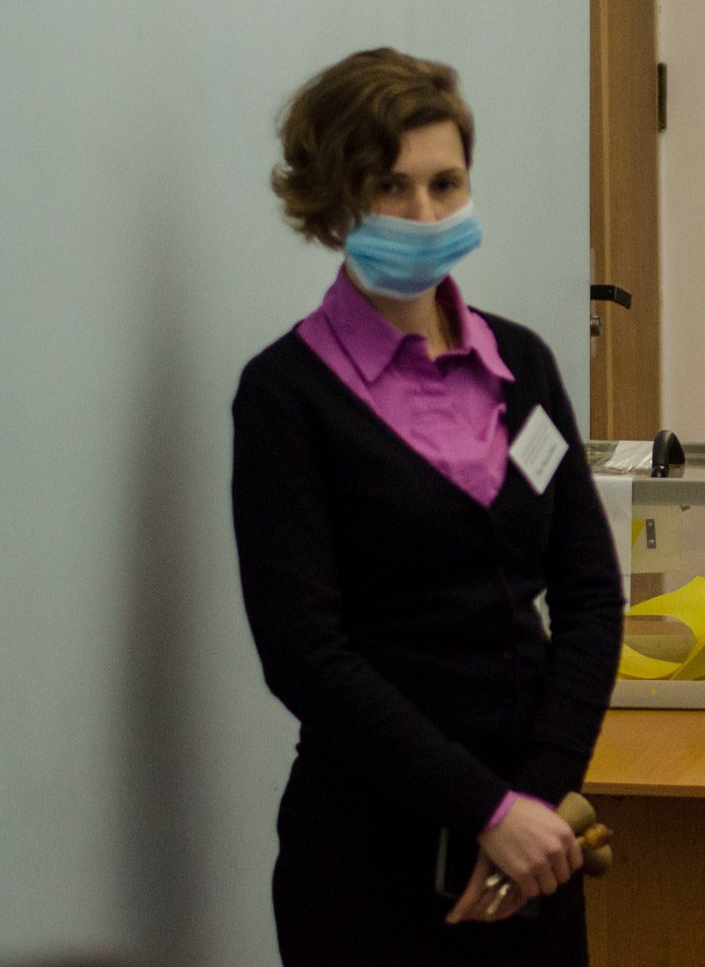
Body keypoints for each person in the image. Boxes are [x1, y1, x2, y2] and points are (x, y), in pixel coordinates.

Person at [230, 48, 624, 965]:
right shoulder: (286, 396)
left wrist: (537, 801)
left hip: (534, 851)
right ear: (333, 200)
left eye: (445, 184)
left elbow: (589, 595)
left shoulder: (522, 363)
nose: (424, 214)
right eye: (390, 187)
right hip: (367, 858)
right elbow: (304, 654)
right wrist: (486, 812)